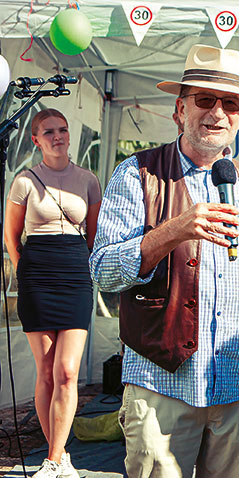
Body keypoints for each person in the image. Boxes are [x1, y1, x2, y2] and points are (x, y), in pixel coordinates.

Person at [89, 44, 239, 478]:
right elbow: (104, 271)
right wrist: (173, 230)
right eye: (204, 100)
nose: (217, 113)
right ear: (179, 110)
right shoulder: (139, 174)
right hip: (162, 383)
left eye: (231, 103)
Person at [4, 108, 101, 478]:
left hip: (75, 273)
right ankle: (57, 456)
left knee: (67, 370)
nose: (58, 136)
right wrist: (26, 271)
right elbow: (11, 238)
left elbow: (93, 237)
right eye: (49, 132)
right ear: (35, 139)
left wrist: (84, 269)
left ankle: (55, 458)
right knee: (45, 371)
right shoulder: (24, 180)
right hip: (37, 275)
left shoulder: (89, 179)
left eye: (62, 130)